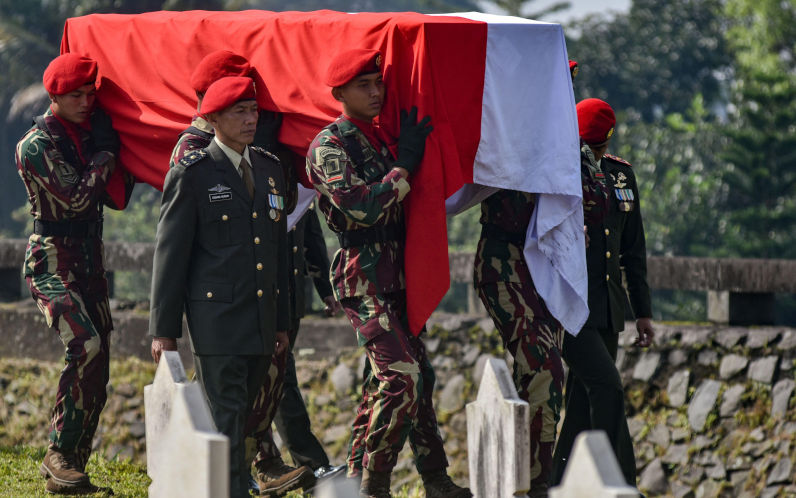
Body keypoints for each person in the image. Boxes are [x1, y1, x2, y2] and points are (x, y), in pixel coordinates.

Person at [305, 48, 471, 498]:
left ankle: (428, 478)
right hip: (362, 279)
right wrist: (405, 167)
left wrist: (410, 156)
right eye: (364, 85)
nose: (376, 92)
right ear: (339, 92)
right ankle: (374, 484)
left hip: (398, 275)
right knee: (402, 377)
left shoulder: (382, 137)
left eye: (379, 83)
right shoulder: (329, 146)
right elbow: (358, 206)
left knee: (410, 379)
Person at [148, 76, 291, 498]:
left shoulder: (267, 168)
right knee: (227, 417)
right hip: (217, 320)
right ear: (212, 118)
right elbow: (171, 255)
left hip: (261, 319)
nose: (250, 120)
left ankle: (216, 485)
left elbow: (277, 253)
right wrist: (164, 330)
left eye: (253, 111)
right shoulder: (193, 172)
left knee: (242, 417)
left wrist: (281, 321)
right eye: (239, 112)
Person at [16, 52, 135, 495]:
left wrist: (111, 150)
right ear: (54, 96)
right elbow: (79, 200)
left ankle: (72, 470)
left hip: (89, 259)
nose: (86, 102)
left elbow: (117, 200)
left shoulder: (84, 137)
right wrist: (105, 152)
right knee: (86, 344)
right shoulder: (36, 145)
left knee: (100, 365)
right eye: (76, 95)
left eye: (90, 93)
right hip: (52, 260)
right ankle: (58, 453)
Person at [551, 98, 655, 487]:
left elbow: (633, 250)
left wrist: (642, 311)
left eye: (597, 148)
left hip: (608, 307)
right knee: (607, 387)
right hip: (568, 306)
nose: (591, 155)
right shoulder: (560, 173)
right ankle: (624, 485)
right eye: (585, 147)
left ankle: (558, 482)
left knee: (581, 401)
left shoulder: (620, 175)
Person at [251, 204, 347, 492]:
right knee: (278, 381)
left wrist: (325, 289)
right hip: (260, 300)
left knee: (272, 383)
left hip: (290, 304)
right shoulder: (257, 174)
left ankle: (267, 464)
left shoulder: (295, 181)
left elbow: (311, 239)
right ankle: (309, 463)